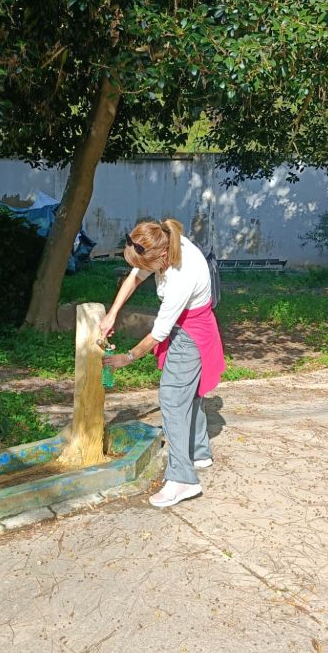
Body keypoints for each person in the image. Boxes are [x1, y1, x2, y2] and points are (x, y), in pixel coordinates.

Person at [101, 218, 225, 509]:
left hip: (191, 332)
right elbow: (134, 277)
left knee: (172, 398)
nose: (144, 271)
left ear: (163, 256)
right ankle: (199, 451)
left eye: (148, 265)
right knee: (189, 394)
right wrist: (112, 314)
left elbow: (158, 334)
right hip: (189, 325)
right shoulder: (162, 240)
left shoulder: (181, 276)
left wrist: (126, 358)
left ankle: (182, 479)